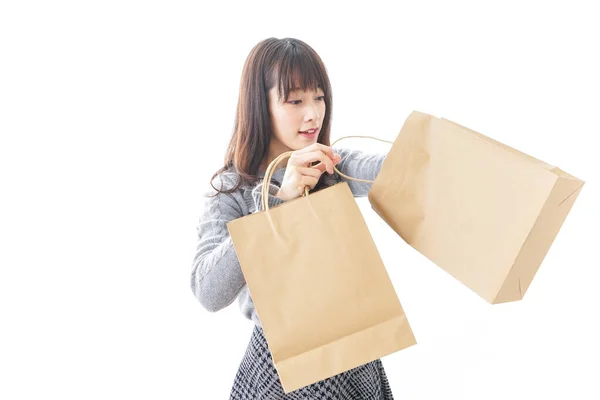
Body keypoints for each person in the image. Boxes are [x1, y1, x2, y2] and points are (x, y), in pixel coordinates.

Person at [191, 37, 392, 399]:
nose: (313, 113)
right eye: (295, 100)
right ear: (260, 106)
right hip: (282, 371)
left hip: (354, 356)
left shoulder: (330, 166)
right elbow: (208, 291)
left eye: (319, 97)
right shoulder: (232, 188)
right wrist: (279, 199)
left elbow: (395, 172)